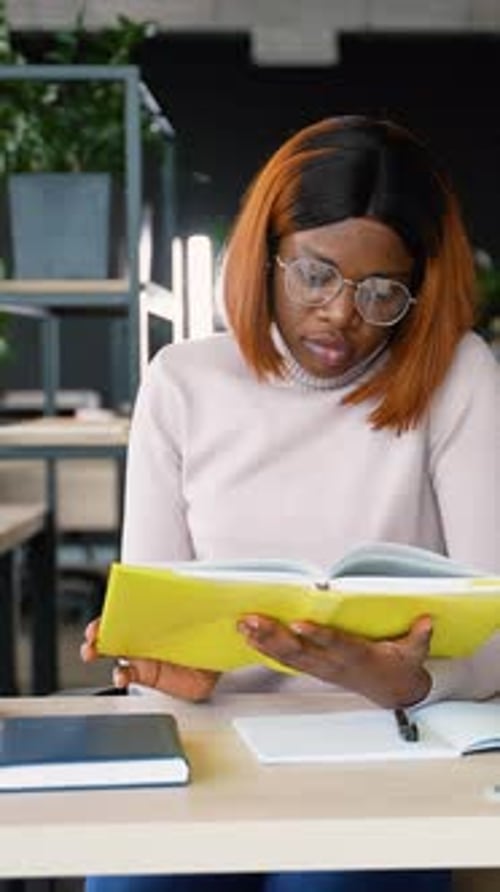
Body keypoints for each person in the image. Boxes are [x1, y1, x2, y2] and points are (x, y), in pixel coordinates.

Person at [81, 115, 500, 891]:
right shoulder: (181, 381)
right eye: (315, 275)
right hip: (210, 737)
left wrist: (395, 680)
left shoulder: (459, 376)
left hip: (390, 737)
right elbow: (159, 616)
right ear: (264, 255)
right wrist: (170, 668)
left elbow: (498, 635)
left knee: (333, 881)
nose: (342, 313)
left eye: (383, 293)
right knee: (140, 879)